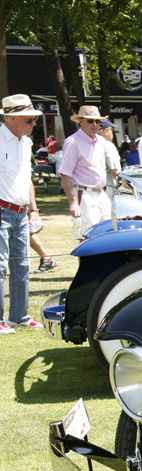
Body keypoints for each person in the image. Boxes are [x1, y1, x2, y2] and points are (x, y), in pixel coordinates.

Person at [0, 94, 45, 333]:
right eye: (29, 119)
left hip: (20, 212)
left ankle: (19, 316)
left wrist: (33, 209)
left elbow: (27, 178)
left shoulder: (26, 143)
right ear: (11, 118)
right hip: (2, 209)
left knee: (22, 265)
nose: (33, 123)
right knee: (0, 266)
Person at [60, 105, 114, 240]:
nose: (95, 124)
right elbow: (65, 174)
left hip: (101, 193)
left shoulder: (99, 141)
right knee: (87, 238)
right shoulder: (73, 142)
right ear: (81, 121)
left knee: (108, 235)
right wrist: (73, 202)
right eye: (90, 121)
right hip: (84, 195)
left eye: (97, 121)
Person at [97, 118, 122, 198]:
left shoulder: (91, 144)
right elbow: (115, 171)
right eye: (111, 130)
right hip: (108, 187)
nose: (112, 134)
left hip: (92, 189)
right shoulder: (108, 145)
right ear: (106, 131)